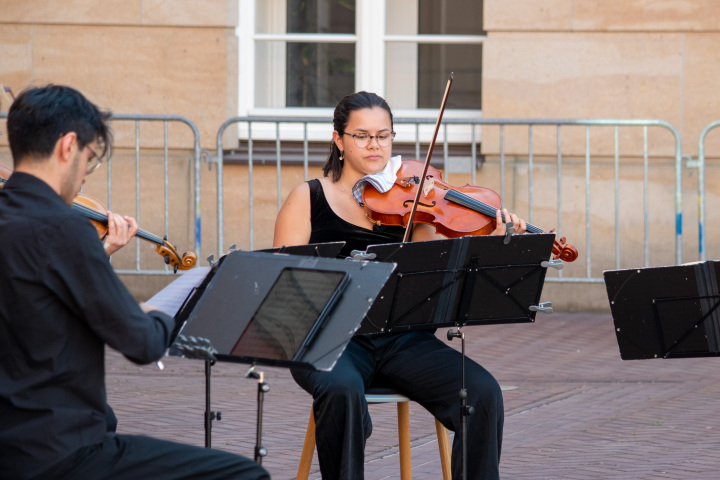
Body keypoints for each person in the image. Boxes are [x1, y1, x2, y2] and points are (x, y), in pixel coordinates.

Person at [0, 85, 269, 480]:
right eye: (89, 160)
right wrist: (155, 311)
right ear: (68, 146)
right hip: (57, 451)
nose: (86, 179)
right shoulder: (64, 231)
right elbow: (142, 343)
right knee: (245, 475)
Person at [274, 91, 527, 480]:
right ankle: (351, 415)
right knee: (341, 392)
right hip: (331, 341)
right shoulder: (308, 198)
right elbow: (283, 281)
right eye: (362, 136)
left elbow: (440, 270)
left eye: (383, 135)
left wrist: (492, 239)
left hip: (402, 340)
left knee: (482, 392)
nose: (374, 145)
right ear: (339, 140)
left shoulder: (413, 202)